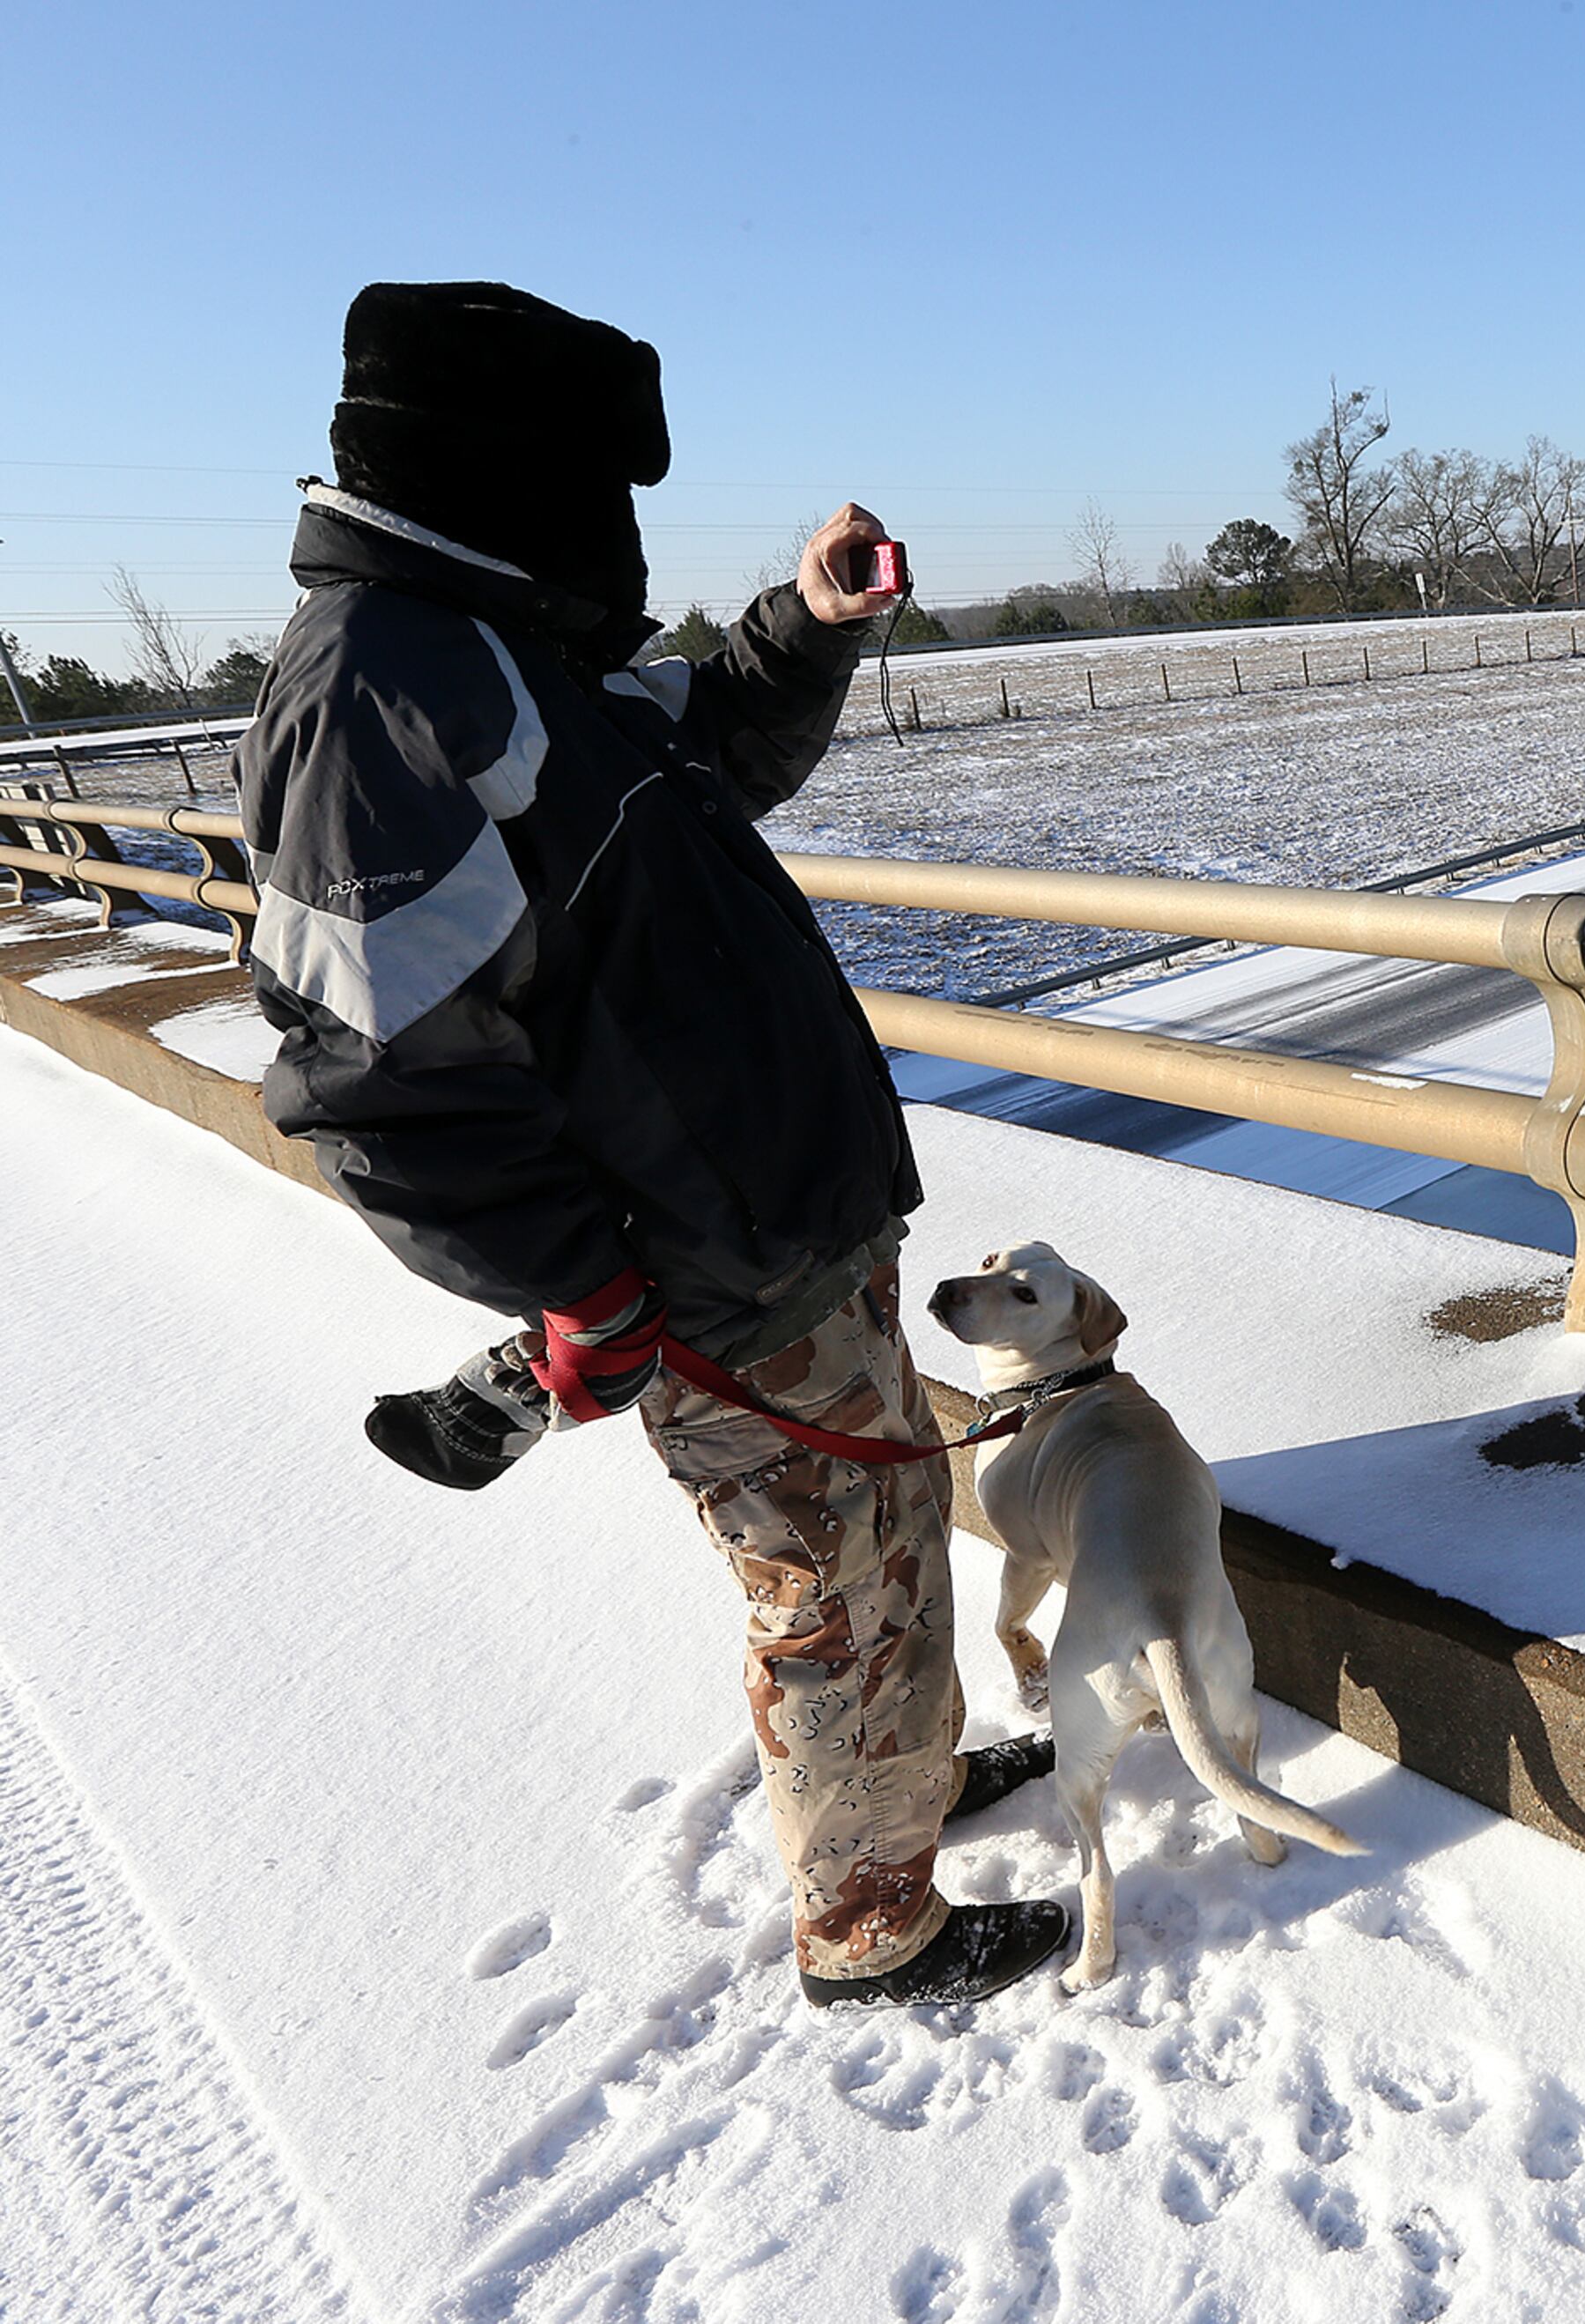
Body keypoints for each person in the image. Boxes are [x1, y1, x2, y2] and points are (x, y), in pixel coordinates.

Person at [235, 281, 1063, 2009]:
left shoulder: (507, 654)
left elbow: (709, 749)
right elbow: (384, 1100)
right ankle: (870, 1921)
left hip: (784, 1233)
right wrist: (593, 1284)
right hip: (712, 1277)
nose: (618, 537)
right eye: (603, 494)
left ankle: (901, 1791)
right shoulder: (378, 699)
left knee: (890, 1528)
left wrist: (806, 621)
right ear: (505, 472)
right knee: (826, 1596)